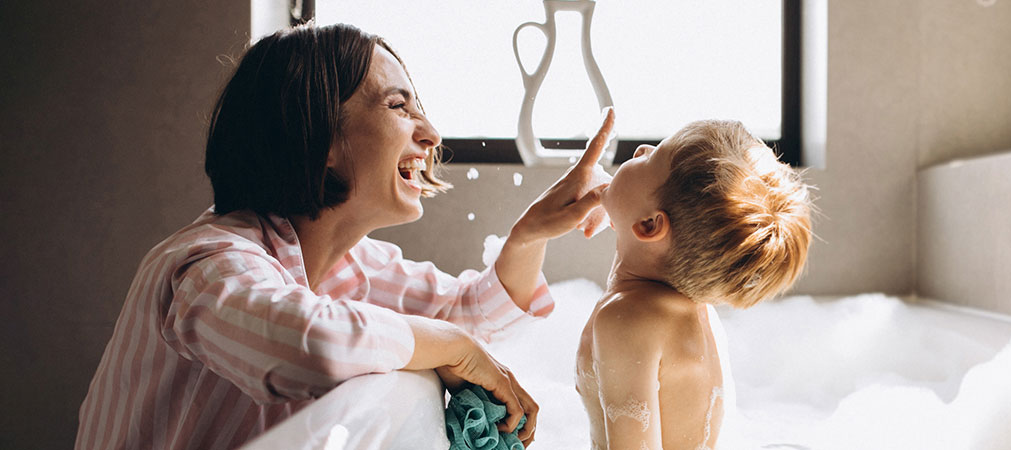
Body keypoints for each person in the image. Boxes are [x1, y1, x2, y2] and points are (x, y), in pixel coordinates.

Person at [74, 23, 612, 449]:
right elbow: (310, 346)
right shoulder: (207, 262)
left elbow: (467, 312)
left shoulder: (350, 263)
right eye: (399, 106)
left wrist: (528, 235)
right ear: (317, 135)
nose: (431, 134)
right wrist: (451, 345)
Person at [575, 120, 814, 449]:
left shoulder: (628, 320)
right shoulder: (689, 304)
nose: (641, 150)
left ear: (649, 225)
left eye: (650, 158)